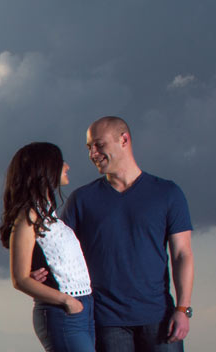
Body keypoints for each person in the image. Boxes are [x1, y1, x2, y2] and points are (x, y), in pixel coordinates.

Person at [62, 116, 194, 352]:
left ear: (124, 139)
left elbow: (182, 254)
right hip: (105, 322)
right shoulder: (81, 200)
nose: (93, 153)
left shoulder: (168, 193)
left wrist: (183, 309)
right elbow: (60, 252)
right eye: (89, 148)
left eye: (99, 145)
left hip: (160, 318)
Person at [1, 141, 95, 352]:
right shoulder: (28, 217)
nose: (67, 166)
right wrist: (67, 301)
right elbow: (20, 279)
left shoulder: (49, 215)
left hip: (82, 308)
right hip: (62, 311)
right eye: (60, 162)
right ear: (44, 169)